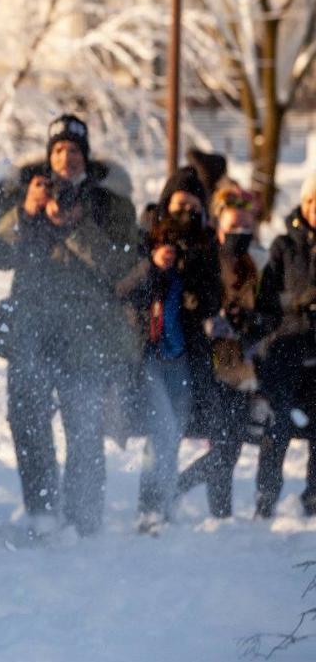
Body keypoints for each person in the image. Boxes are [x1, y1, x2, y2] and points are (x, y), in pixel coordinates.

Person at [0, 115, 140, 537]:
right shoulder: (30, 196)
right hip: (32, 327)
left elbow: (122, 268)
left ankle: (85, 515)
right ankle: (41, 508)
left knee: (84, 424)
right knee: (27, 418)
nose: (65, 158)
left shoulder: (111, 206)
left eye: (74, 151)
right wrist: (24, 212)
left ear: (85, 157)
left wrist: (76, 228)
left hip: (87, 333)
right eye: (57, 150)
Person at [118, 169, 222, 533]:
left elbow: (210, 302)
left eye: (194, 208)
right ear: (166, 204)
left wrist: (190, 268)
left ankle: (161, 502)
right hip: (146, 353)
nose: (186, 215)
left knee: (172, 430)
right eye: (180, 205)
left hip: (183, 357)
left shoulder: (206, 247)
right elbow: (123, 289)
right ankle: (150, 508)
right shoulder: (144, 238)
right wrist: (153, 265)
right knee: (161, 426)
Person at [176, 196, 261, 517]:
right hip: (209, 365)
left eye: (245, 226)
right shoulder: (206, 259)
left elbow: (263, 310)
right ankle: (179, 487)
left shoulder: (253, 265)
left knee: (230, 446)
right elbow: (193, 304)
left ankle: (219, 512)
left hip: (242, 366)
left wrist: (249, 323)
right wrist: (217, 319)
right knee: (224, 444)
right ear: (219, 228)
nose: (240, 232)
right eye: (233, 226)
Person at [250, 173, 316, 518]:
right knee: (278, 425)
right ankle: (266, 495)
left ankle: (314, 498)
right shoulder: (283, 246)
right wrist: (300, 301)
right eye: (314, 201)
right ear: (304, 205)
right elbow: (267, 301)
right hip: (286, 349)